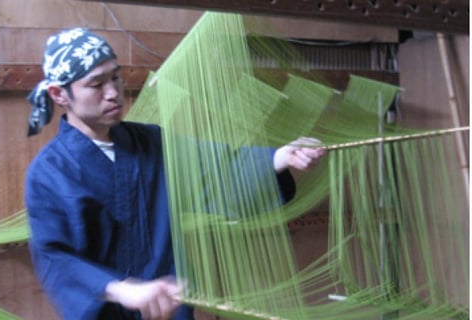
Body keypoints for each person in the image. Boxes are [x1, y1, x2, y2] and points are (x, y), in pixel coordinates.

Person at [25, 27, 326, 320]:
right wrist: (119, 289)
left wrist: (276, 159)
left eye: (116, 77)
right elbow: (55, 257)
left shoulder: (151, 142)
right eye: (96, 84)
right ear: (59, 94)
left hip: (169, 310)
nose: (113, 92)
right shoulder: (50, 173)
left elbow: (215, 169)